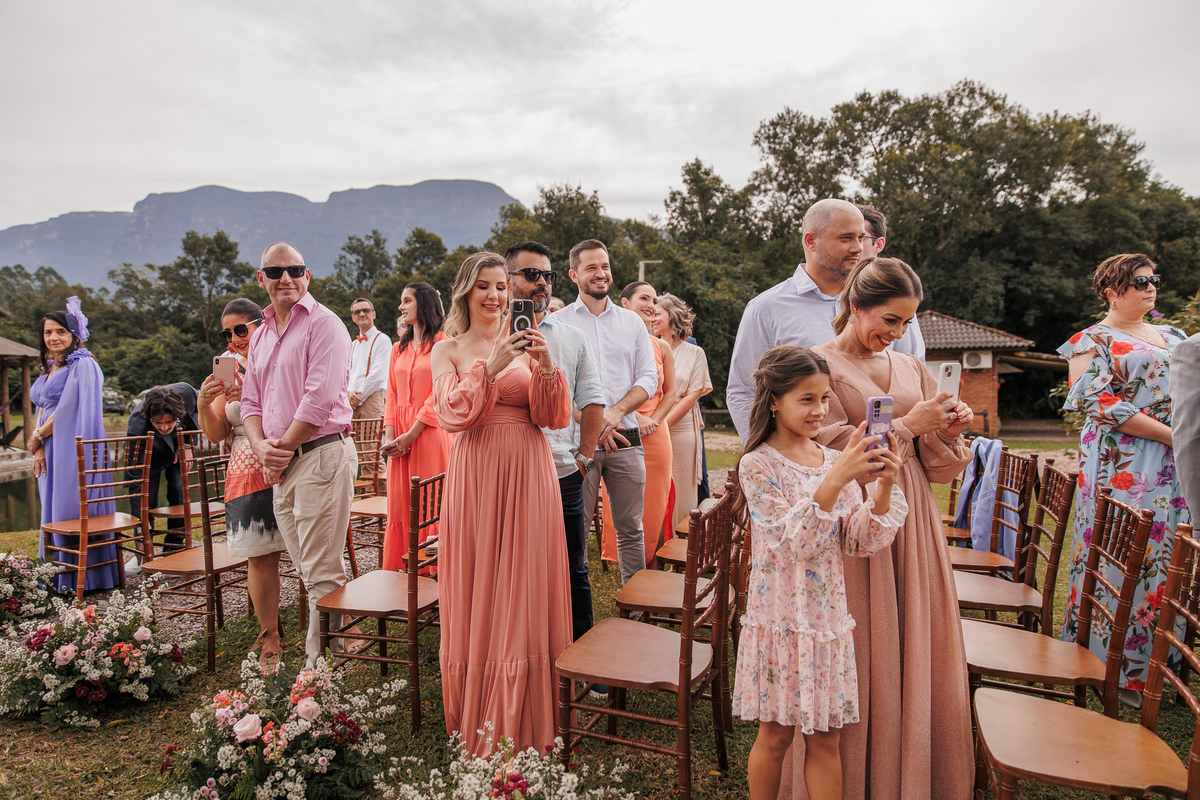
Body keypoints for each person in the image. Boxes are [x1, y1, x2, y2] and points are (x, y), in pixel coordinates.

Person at [805, 256, 975, 800]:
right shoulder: (817, 365)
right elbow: (817, 451)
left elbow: (942, 467)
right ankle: (858, 777)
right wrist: (907, 425)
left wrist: (946, 430)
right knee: (864, 640)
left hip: (914, 515)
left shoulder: (911, 367)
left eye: (905, 323)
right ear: (855, 306)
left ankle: (917, 772)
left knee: (916, 636)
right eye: (889, 319)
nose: (896, 333)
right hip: (855, 521)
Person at [733, 346, 906, 800]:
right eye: (806, 399)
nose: (820, 410)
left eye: (825, 398)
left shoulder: (832, 461)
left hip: (827, 624)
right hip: (780, 621)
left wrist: (884, 489)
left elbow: (857, 542)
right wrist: (835, 479)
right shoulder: (759, 465)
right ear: (774, 400)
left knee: (827, 739)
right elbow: (794, 544)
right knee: (774, 738)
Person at [431, 250, 573, 756]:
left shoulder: (527, 340)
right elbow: (453, 415)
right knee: (482, 578)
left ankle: (531, 708)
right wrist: (490, 367)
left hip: (530, 471)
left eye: (500, 287)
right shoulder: (447, 350)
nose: (494, 297)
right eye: (483, 287)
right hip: (478, 475)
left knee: (525, 578)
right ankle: (481, 706)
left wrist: (545, 364)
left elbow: (554, 416)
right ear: (465, 292)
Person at [1056, 253, 1189, 706]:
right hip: (1124, 462)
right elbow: (1100, 403)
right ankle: (1111, 665)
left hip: (1180, 460)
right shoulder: (1088, 340)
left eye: (1154, 278)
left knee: (1172, 550)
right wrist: (1173, 435)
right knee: (1124, 547)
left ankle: (1162, 666)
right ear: (1112, 291)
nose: (1152, 286)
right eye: (1140, 281)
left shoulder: (1175, 336)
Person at [241, 241, 361, 669]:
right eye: (275, 272)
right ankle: (336, 649)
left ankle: (318, 670)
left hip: (321, 455)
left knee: (321, 569)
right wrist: (261, 448)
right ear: (262, 280)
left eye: (295, 270)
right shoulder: (260, 335)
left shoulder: (325, 324)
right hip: (280, 462)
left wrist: (282, 447)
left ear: (308, 275)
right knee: (309, 568)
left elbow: (321, 399)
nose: (285, 278)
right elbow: (250, 402)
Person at [727, 199, 925, 440]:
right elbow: (744, 391)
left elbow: (915, 381)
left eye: (862, 238)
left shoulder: (890, 306)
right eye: (846, 238)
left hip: (886, 461)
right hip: (804, 466)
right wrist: (767, 453)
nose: (858, 248)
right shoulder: (766, 308)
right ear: (811, 241)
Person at [506, 241, 605, 641]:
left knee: (573, 564)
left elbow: (594, 399)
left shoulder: (571, 337)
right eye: (531, 275)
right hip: (506, 470)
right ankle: (523, 647)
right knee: (510, 566)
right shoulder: (487, 334)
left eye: (546, 275)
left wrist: (584, 455)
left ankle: (582, 648)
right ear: (508, 279)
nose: (541, 283)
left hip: (560, 468)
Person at [553, 239, 659, 583]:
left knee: (631, 527)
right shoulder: (559, 324)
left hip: (626, 438)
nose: (601, 274)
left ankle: (636, 604)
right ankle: (571, 609)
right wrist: (596, 424)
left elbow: (648, 378)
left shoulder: (632, 323)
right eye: (591, 268)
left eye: (605, 266)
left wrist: (613, 414)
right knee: (576, 527)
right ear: (573, 274)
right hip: (577, 443)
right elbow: (557, 389)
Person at [197, 298, 288, 673]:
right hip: (247, 466)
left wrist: (251, 395)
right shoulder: (226, 368)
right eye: (226, 333)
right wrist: (205, 404)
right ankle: (270, 634)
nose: (233, 339)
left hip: (287, 456)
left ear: (259, 324)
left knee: (308, 547)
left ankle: (329, 624)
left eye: (240, 329)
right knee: (260, 555)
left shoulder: (282, 351)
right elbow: (217, 430)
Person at [29, 297, 120, 593]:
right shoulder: (48, 369)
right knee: (52, 507)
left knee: (69, 505)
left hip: (71, 447)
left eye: (60, 332)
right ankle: (56, 574)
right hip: (49, 447)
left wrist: (40, 434)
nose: (53, 337)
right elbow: (42, 408)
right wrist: (39, 445)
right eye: (48, 332)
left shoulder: (83, 364)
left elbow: (69, 407)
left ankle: (84, 577)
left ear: (74, 336)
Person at [598, 280, 677, 569]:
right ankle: (625, 560)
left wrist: (654, 420)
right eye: (644, 298)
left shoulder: (663, 346)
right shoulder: (609, 342)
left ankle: (653, 560)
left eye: (654, 300)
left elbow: (672, 393)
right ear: (625, 303)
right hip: (620, 427)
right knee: (622, 500)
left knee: (656, 499)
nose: (651, 305)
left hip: (656, 434)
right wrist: (634, 415)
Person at [379, 282, 453, 571]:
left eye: (407, 300)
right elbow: (392, 394)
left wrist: (412, 434)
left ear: (423, 303)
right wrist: (390, 435)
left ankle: (432, 570)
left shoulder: (444, 344)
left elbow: (439, 395)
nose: (401, 306)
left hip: (430, 433)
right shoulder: (398, 348)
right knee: (400, 505)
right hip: (400, 437)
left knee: (429, 504)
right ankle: (401, 568)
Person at [654, 293, 712, 529]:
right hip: (652, 423)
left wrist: (661, 424)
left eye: (657, 314)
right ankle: (655, 544)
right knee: (657, 487)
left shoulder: (694, 353)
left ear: (672, 316)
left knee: (681, 485)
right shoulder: (650, 347)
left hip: (680, 428)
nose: (653, 318)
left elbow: (692, 394)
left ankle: (681, 544)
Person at [125, 383, 199, 557]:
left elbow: (195, 411)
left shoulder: (187, 393)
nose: (165, 428)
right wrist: (139, 529)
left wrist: (188, 444)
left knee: (179, 488)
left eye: (169, 422)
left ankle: (174, 548)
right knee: (147, 500)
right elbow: (136, 484)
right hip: (150, 453)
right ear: (150, 418)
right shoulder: (137, 429)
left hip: (177, 445)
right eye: (158, 423)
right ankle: (144, 550)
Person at [347, 297, 391, 421]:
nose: (361, 314)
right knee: (352, 440)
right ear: (353, 317)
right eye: (357, 312)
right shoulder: (353, 344)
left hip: (371, 400)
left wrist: (358, 398)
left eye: (365, 310)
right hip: (351, 403)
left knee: (371, 440)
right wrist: (349, 393)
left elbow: (378, 375)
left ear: (374, 314)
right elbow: (346, 372)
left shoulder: (383, 340)